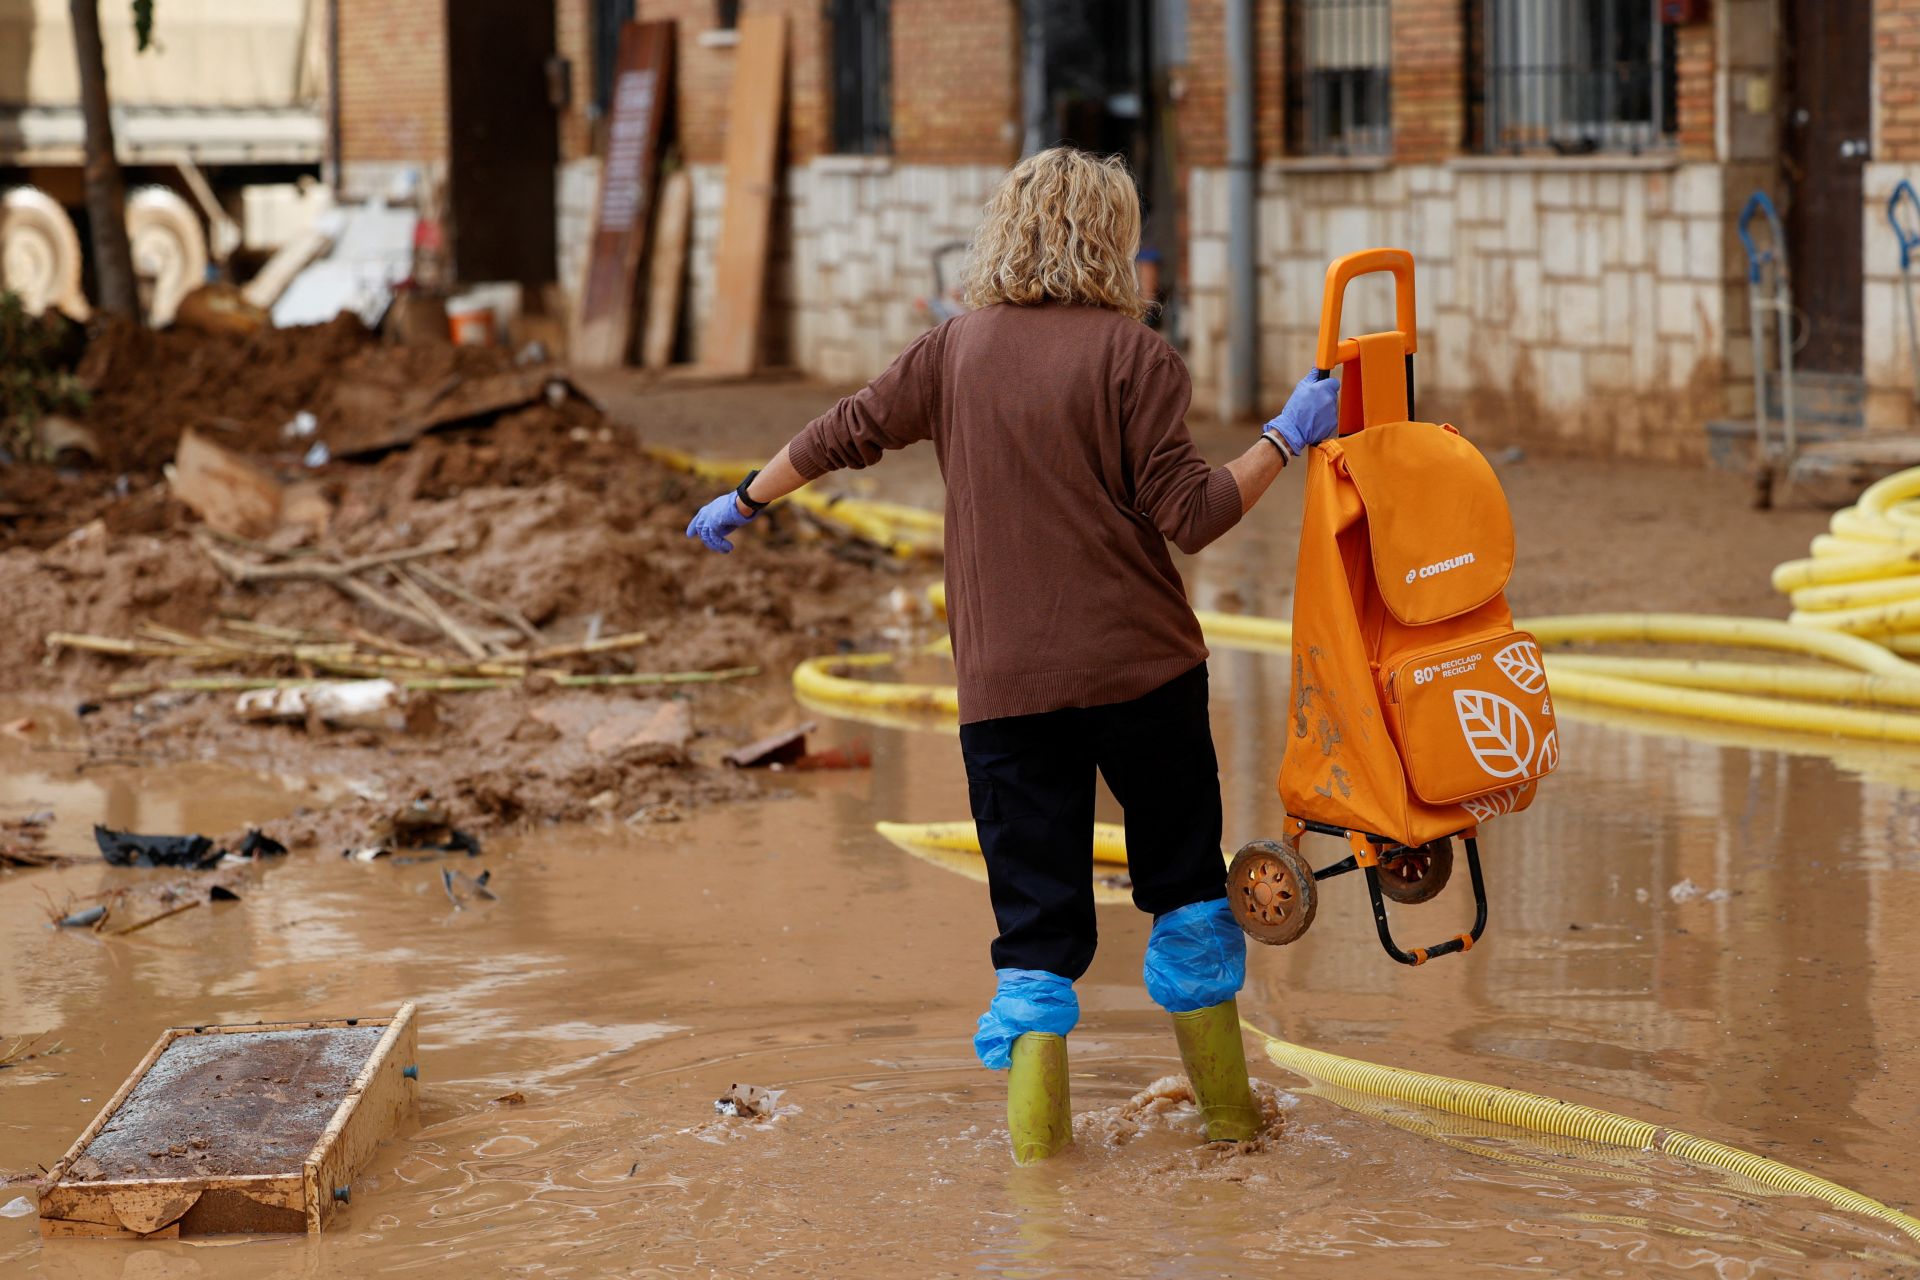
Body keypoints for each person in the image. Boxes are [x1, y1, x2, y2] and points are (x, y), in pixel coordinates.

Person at [686, 147, 1339, 1164]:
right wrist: (1288, 436)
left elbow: (844, 432)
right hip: (1146, 680)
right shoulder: (1136, 356)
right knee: (1191, 907)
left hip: (1006, 698)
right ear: (1111, 240)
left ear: (1008, 232)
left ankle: (1042, 1206)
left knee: (1035, 957)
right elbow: (1198, 515)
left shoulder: (949, 353)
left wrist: (745, 498)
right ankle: (1233, 1140)